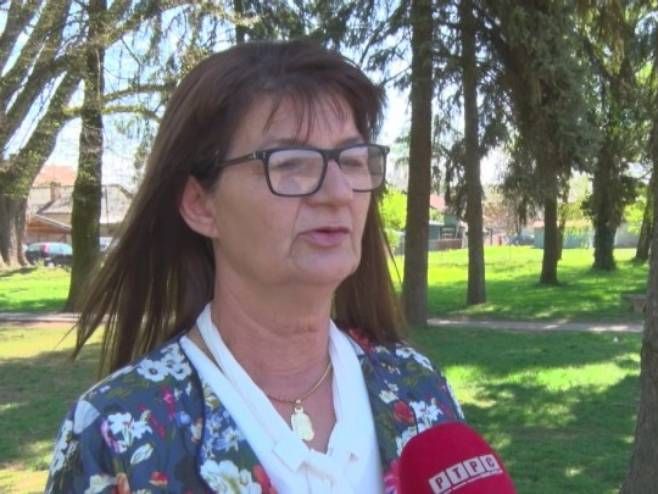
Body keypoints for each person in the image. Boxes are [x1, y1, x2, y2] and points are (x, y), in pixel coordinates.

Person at [46, 39, 464, 494]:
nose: (339, 192)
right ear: (200, 204)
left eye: (351, 160)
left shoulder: (419, 390)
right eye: (290, 164)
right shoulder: (117, 436)